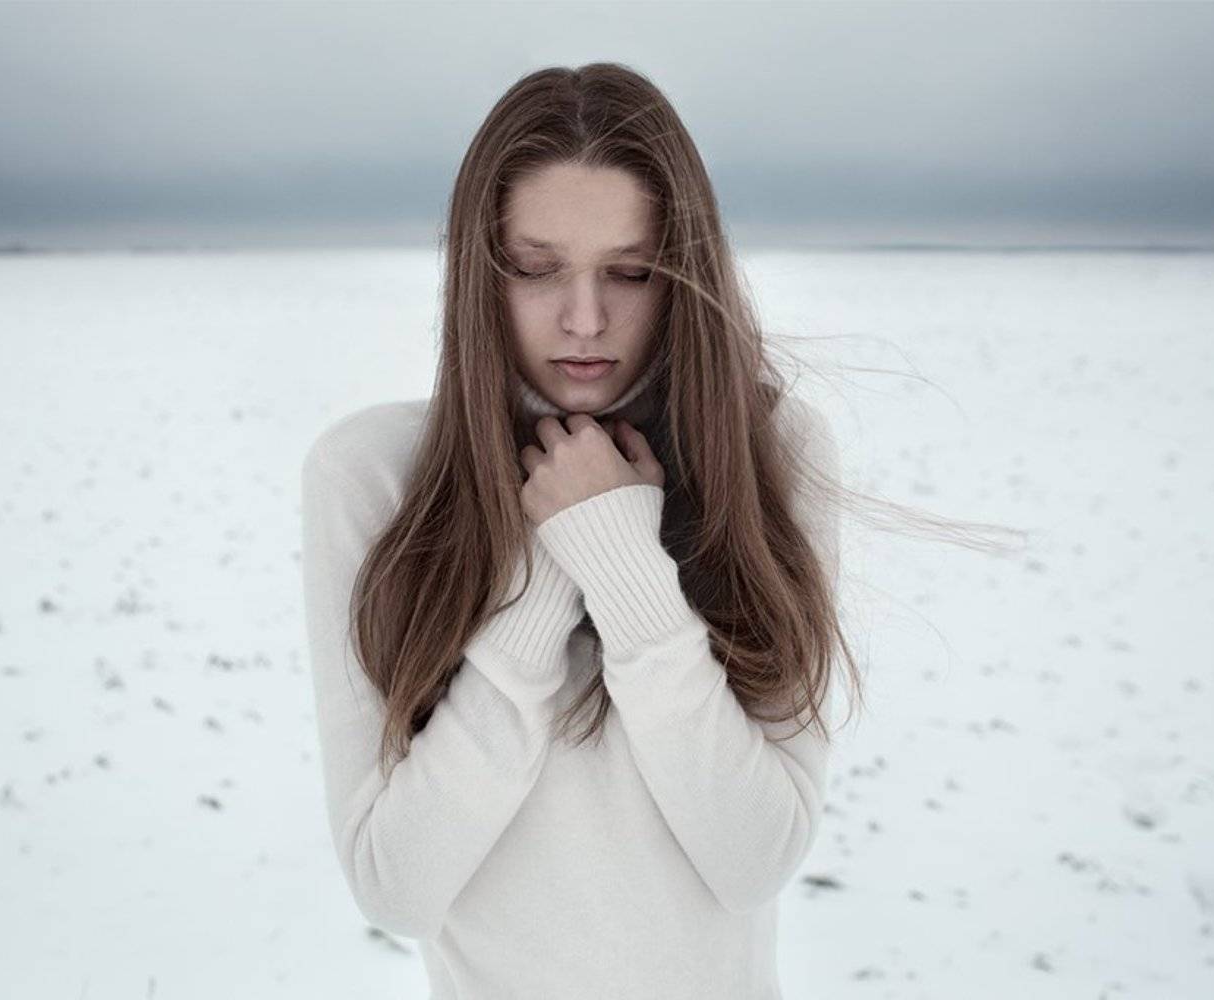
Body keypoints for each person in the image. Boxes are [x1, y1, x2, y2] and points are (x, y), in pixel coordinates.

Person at [301, 62, 855, 999]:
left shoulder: (772, 455)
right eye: (536, 268)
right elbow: (396, 885)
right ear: (479, 274)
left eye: (630, 272)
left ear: (685, 273)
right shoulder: (370, 477)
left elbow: (754, 857)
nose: (585, 319)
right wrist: (548, 579)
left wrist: (631, 576)